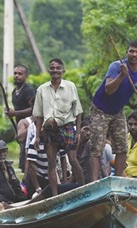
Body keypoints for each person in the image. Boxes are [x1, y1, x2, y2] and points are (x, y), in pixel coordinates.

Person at [88, 39, 137, 182]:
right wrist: (122, 76)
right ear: (126, 53)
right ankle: (93, 182)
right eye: (131, 51)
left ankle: (117, 180)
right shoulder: (116, 67)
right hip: (100, 109)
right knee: (96, 146)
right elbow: (108, 90)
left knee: (122, 146)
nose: (134, 54)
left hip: (117, 111)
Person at [32, 58, 84, 196]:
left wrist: (78, 133)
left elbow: (78, 112)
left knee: (73, 159)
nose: (55, 70)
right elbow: (38, 115)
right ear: (49, 70)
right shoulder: (41, 90)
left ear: (63, 70)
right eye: (52, 68)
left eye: (58, 68)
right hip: (49, 129)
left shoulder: (70, 86)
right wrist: (37, 136)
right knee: (51, 163)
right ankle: (55, 196)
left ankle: (84, 189)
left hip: (66, 126)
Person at [6, 65, 37, 173]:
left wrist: (15, 113)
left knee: (28, 154)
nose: (17, 76)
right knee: (23, 153)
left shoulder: (28, 90)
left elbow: (33, 109)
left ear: (26, 76)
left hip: (29, 126)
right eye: (15, 73)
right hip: (20, 127)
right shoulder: (15, 92)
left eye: (20, 74)